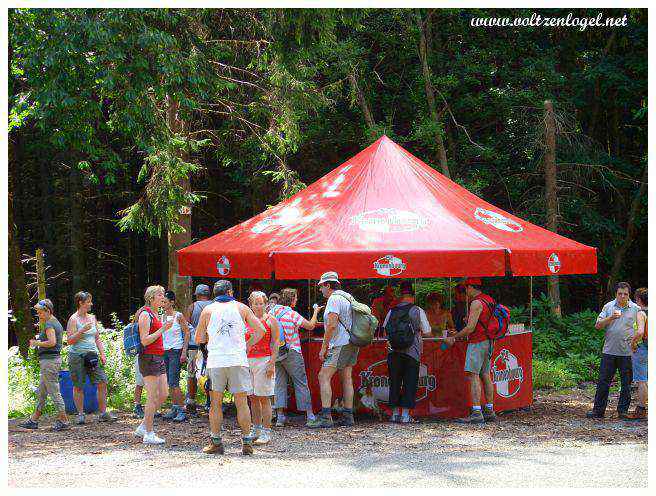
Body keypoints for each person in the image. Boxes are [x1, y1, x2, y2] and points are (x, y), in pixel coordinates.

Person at [195, 280, 267, 455]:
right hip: (238, 359)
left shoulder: (208, 310)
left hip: (216, 361)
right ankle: (247, 441)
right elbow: (261, 331)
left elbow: (199, 338)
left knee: (215, 404)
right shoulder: (242, 308)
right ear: (230, 292)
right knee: (242, 403)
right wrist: (247, 345)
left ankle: (216, 442)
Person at [308, 272, 359, 428]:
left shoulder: (334, 299)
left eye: (321, 286)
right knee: (346, 378)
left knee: (323, 376)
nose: (320, 290)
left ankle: (325, 417)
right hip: (351, 342)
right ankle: (348, 416)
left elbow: (331, 325)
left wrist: (324, 347)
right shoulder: (347, 297)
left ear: (328, 285)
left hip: (339, 344)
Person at [444, 278, 496, 424]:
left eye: (466, 288)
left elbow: (470, 328)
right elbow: (483, 321)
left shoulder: (476, 302)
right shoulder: (489, 300)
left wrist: (454, 337)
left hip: (477, 342)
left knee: (473, 375)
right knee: (485, 374)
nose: (465, 292)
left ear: (471, 287)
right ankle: (490, 410)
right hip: (489, 341)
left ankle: (476, 412)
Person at [587, 282, 640, 419]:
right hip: (609, 351)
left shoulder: (635, 309)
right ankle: (598, 411)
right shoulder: (608, 306)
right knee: (603, 382)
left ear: (629, 295)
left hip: (627, 353)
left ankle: (622, 411)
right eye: (620, 293)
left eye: (625, 294)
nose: (622, 296)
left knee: (626, 384)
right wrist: (611, 318)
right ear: (616, 294)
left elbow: (641, 327)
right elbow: (597, 326)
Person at [270, 287, 321, 426]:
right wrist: (316, 312)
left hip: (276, 353)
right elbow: (310, 326)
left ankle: (280, 417)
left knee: (279, 383)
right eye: (296, 298)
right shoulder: (292, 314)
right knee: (300, 382)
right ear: (292, 300)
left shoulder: (272, 312)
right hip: (292, 352)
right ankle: (309, 416)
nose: (297, 300)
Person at [383, 281, 432, 423]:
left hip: (393, 351)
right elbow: (427, 332)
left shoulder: (391, 311)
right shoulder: (417, 310)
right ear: (413, 296)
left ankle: (393, 414)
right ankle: (405, 415)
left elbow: (385, 329)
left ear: (401, 296)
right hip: (412, 352)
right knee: (410, 382)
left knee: (394, 382)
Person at [65, 291, 116, 424]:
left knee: (102, 382)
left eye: (90, 301)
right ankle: (80, 414)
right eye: (88, 302)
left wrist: (103, 354)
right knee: (78, 386)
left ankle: (103, 413)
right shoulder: (73, 319)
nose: (91, 304)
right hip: (77, 356)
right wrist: (81, 330)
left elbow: (97, 338)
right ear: (80, 303)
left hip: (92, 356)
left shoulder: (92, 318)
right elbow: (69, 340)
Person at [18, 299, 70, 431]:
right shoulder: (54, 322)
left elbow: (52, 342)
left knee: (54, 391)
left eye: (41, 313)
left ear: (48, 311)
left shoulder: (49, 324)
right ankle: (34, 419)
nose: (39, 315)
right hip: (50, 362)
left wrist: (37, 343)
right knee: (42, 391)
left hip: (49, 362)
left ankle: (64, 420)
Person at [134, 285, 170, 444]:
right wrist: (162, 329)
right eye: (160, 295)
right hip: (148, 357)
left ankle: (143, 425)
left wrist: (164, 313)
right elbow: (145, 340)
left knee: (163, 394)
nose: (163, 297)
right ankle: (149, 433)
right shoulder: (145, 314)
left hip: (159, 356)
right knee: (152, 396)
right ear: (151, 298)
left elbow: (164, 323)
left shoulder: (159, 312)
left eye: (164, 295)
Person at [245, 291, 280, 444]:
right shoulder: (247, 320)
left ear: (266, 304)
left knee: (264, 397)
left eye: (261, 303)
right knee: (252, 397)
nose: (258, 306)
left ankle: (266, 431)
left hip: (264, 360)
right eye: (255, 303)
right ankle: (256, 427)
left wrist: (272, 362)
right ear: (250, 304)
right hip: (248, 361)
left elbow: (276, 342)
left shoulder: (271, 320)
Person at [159, 290, 190, 422]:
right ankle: (175, 407)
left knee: (174, 381)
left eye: (165, 302)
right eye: (162, 302)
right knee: (168, 382)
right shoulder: (161, 316)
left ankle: (182, 409)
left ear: (172, 302)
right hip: (164, 351)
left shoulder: (179, 316)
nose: (163, 304)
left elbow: (187, 332)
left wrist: (184, 351)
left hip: (175, 351)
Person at [184, 284, 212, 413]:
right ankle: (210, 401)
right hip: (210, 345)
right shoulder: (214, 306)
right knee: (210, 373)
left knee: (192, 372)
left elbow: (185, 325)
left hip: (194, 344)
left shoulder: (192, 307)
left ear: (197, 294)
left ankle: (191, 400)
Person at [627, 287, 648, 420]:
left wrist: (633, 343)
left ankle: (641, 409)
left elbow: (640, 331)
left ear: (638, 299)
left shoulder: (641, 313)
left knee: (642, 380)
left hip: (643, 348)